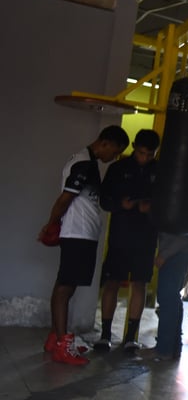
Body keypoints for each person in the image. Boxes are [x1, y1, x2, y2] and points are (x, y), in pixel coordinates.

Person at [38, 124, 129, 365]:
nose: (114, 158)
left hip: (83, 235)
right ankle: (61, 345)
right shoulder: (84, 164)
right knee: (65, 290)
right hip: (77, 234)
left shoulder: (88, 162)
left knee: (64, 286)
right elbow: (64, 199)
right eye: (116, 152)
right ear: (105, 143)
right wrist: (51, 225)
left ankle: (54, 337)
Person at [95, 129, 160, 352]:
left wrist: (151, 208)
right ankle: (105, 335)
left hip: (146, 237)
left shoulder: (161, 172)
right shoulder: (118, 169)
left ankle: (131, 337)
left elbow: (167, 205)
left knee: (139, 283)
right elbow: (104, 200)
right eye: (141, 153)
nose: (145, 158)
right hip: (120, 235)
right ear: (134, 147)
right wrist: (120, 205)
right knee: (112, 282)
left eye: (149, 155)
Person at [152, 231, 188, 360]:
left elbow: (184, 234)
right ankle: (173, 348)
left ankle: (164, 350)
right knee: (172, 299)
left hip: (175, 253)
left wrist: (164, 255)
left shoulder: (184, 211)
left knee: (168, 299)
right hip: (178, 253)